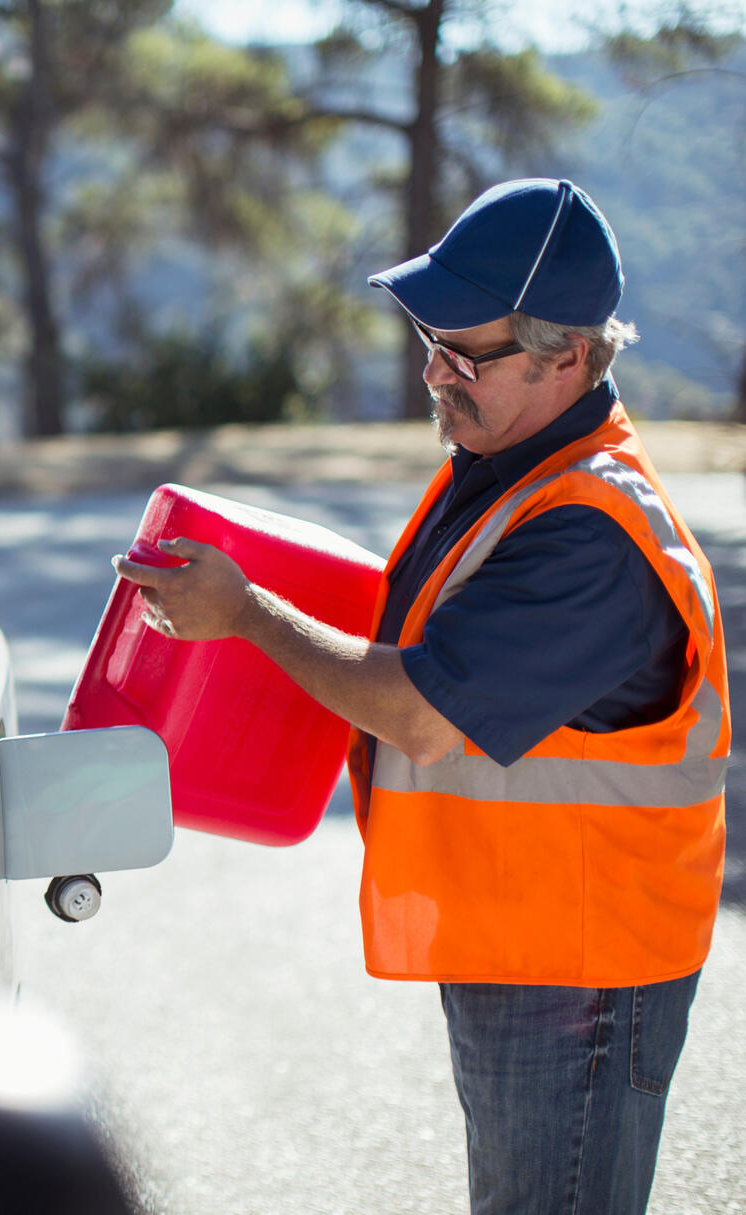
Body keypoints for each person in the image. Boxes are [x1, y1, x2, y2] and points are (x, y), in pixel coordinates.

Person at [115, 178, 727, 1214]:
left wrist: (251, 614)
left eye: (467, 352)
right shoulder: (504, 465)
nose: (436, 374)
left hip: (581, 972)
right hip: (527, 942)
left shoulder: (592, 533)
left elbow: (423, 712)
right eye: (429, 342)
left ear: (567, 356)